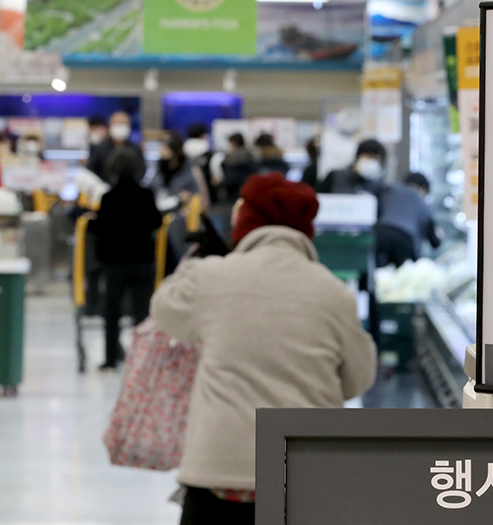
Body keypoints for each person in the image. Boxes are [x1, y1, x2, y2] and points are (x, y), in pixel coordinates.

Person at [150, 172, 377, 525]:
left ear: (243, 221)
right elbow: (358, 379)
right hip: (304, 475)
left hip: (219, 472)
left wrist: (198, 260)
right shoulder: (333, 293)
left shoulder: (212, 277)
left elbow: (164, 309)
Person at [91, 150, 163, 370]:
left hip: (115, 262)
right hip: (142, 260)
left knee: (112, 312)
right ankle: (142, 358)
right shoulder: (146, 195)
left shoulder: (108, 197)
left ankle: (111, 359)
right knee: (142, 313)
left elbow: (100, 228)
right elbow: (156, 222)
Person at [86, 111, 145, 184]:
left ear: (129, 126)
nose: (120, 127)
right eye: (117, 123)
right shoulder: (100, 149)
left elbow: (141, 171)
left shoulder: (136, 149)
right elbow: (92, 171)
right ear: (110, 126)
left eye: (123, 123)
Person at [318, 139, 386, 195]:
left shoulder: (378, 185)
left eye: (375, 159)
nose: (371, 162)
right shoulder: (335, 176)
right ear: (357, 157)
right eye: (368, 157)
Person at [184, 123, 217, 204]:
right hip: (206, 186)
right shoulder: (208, 151)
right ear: (202, 135)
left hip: (186, 188)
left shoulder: (183, 150)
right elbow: (214, 171)